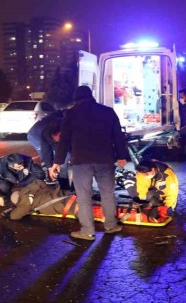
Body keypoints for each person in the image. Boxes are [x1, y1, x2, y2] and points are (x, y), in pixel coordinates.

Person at [50, 85, 128, 241]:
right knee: (107, 194)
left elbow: (64, 140)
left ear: (76, 99)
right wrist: (122, 156)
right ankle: (111, 225)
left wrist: (57, 161)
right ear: (91, 96)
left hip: (81, 161)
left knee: (84, 196)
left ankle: (87, 231)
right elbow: (118, 135)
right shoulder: (107, 111)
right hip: (105, 160)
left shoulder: (71, 114)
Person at [26, 110, 64, 179]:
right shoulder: (46, 132)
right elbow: (46, 151)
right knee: (45, 156)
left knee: (60, 156)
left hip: (49, 131)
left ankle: (58, 173)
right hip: (35, 135)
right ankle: (49, 175)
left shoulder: (63, 121)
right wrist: (50, 168)